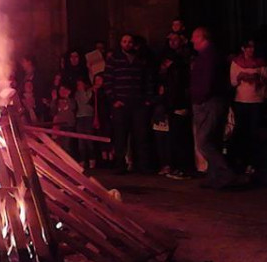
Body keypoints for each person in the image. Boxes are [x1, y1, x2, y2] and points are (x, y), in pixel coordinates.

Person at [190, 27, 243, 189]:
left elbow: (208, 80)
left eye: (194, 37)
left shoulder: (209, 56)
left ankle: (226, 173)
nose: (192, 41)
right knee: (212, 139)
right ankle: (214, 177)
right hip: (212, 100)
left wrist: (199, 98)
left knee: (204, 141)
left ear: (201, 38)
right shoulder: (209, 56)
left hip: (209, 102)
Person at [103, 34, 153, 174]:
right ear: (121, 43)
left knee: (141, 136)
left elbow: (147, 80)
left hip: (138, 104)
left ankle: (142, 165)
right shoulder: (114, 59)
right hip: (121, 104)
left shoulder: (141, 60)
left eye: (130, 42)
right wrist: (114, 100)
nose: (127, 44)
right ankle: (120, 165)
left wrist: (147, 99)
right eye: (124, 41)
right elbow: (107, 81)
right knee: (120, 136)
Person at [229, 39, 267, 175]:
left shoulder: (260, 63)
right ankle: (240, 161)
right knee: (241, 132)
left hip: (256, 101)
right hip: (241, 101)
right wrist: (241, 76)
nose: (250, 50)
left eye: (253, 47)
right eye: (248, 47)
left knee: (254, 133)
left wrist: (260, 78)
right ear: (243, 48)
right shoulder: (236, 63)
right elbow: (232, 82)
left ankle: (253, 163)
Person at [159, 35, 194, 180]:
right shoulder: (167, 57)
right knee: (174, 136)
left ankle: (184, 168)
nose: (172, 42)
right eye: (170, 40)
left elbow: (183, 83)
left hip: (180, 101)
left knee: (181, 136)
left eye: (175, 40)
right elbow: (163, 75)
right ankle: (177, 166)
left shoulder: (185, 59)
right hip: (171, 101)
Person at [73, 78, 96, 168]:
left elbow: (86, 100)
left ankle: (92, 159)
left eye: (80, 84)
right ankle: (83, 160)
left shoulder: (89, 92)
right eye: (77, 84)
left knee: (89, 139)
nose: (79, 86)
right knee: (81, 140)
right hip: (80, 117)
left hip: (88, 117)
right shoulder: (76, 94)